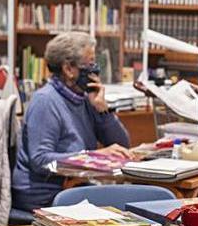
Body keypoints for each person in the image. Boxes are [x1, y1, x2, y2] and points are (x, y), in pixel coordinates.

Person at [11, 31, 132, 211]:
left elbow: (121, 145)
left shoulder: (83, 98)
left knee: (128, 201)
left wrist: (102, 109)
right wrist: (95, 156)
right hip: (44, 194)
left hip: (73, 184)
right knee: (121, 205)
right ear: (68, 69)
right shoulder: (45, 101)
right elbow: (41, 160)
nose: (94, 71)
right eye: (89, 64)